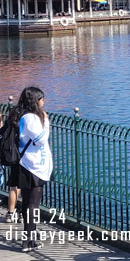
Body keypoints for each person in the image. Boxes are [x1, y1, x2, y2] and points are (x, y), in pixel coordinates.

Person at [16, 87, 53, 253]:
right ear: (36, 101)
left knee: (27, 203)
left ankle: (29, 234)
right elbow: (41, 139)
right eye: (42, 99)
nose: (44, 102)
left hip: (27, 165)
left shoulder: (20, 115)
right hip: (32, 166)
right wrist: (46, 121)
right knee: (33, 204)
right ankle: (29, 240)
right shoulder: (31, 118)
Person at [3, 101, 23, 224]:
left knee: (14, 184)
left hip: (13, 154)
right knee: (25, 186)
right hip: (26, 155)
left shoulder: (14, 114)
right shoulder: (30, 116)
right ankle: (22, 212)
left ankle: (11, 213)